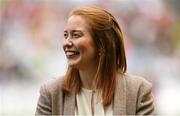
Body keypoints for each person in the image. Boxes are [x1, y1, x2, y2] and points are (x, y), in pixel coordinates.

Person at [35, 6, 154, 115]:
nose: (67, 42)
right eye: (66, 35)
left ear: (102, 43)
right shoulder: (51, 93)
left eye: (76, 35)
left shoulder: (138, 90)